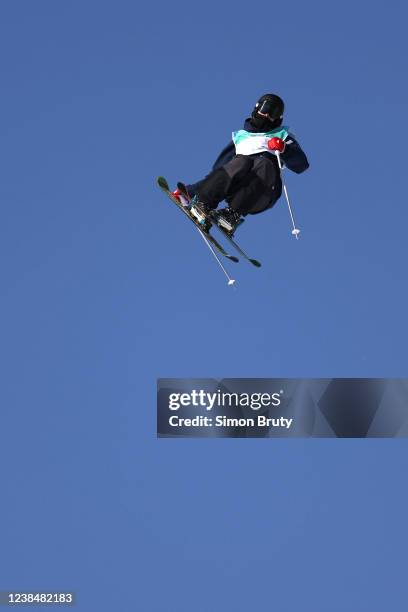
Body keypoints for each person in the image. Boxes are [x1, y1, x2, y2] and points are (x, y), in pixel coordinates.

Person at [172, 93, 309, 236]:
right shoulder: (241, 138)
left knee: (264, 164)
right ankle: (203, 203)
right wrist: (190, 191)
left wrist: (284, 148)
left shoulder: (283, 136)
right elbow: (220, 171)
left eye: (273, 113)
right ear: (257, 108)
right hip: (236, 189)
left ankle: (232, 215)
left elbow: (302, 165)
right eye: (265, 108)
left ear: (279, 118)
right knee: (241, 162)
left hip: (264, 192)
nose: (267, 115)